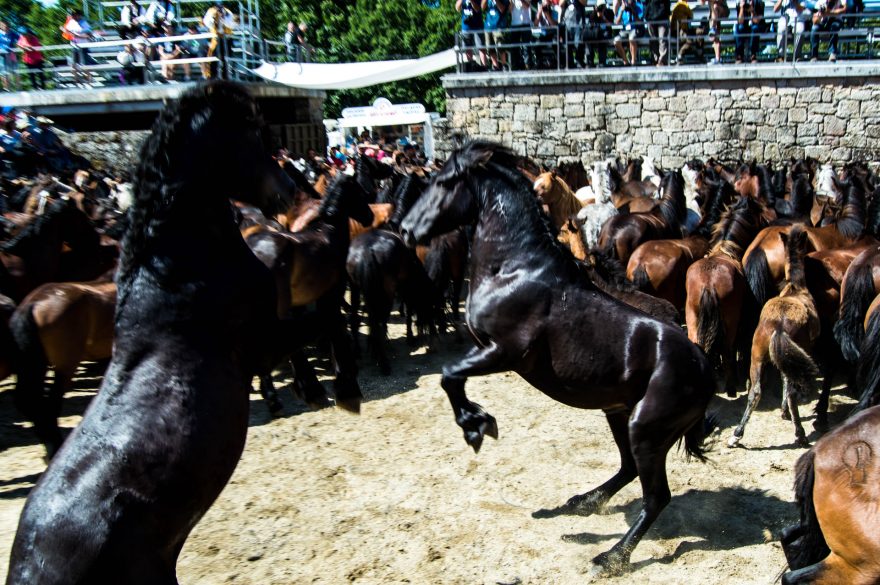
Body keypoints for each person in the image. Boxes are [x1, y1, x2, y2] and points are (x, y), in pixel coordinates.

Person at [203, 1, 236, 78]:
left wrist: (224, 18)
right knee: (213, 58)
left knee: (226, 58)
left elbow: (231, 25)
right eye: (218, 6)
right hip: (216, 38)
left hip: (227, 38)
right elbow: (207, 22)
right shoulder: (211, 11)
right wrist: (214, 18)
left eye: (221, 6)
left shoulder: (228, 12)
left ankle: (226, 76)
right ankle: (212, 76)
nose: (220, 8)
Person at [62, 10, 95, 85]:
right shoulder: (71, 22)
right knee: (74, 64)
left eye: (75, 15)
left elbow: (89, 35)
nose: (73, 16)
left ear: (79, 15)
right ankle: (76, 80)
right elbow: (66, 31)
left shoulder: (84, 23)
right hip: (74, 45)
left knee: (86, 64)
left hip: (84, 46)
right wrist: (65, 30)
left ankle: (89, 79)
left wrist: (78, 36)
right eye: (72, 15)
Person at [457, 0, 486, 71]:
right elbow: (457, 8)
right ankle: (470, 66)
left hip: (477, 25)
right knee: (467, 47)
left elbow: (478, 9)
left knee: (481, 46)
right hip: (466, 26)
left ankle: (484, 66)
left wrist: (472, 1)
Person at [614, 0, 644, 65]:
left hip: (636, 28)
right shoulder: (622, 7)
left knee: (632, 38)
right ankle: (625, 61)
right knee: (616, 41)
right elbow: (616, 22)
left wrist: (633, 10)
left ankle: (633, 61)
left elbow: (640, 21)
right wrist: (621, 11)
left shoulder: (639, 6)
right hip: (625, 30)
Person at [484, 0, 511, 70]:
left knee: (500, 46)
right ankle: (495, 66)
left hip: (499, 26)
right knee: (489, 47)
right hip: (488, 26)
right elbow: (482, 7)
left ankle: (504, 64)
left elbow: (502, 9)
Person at [585, 0, 614, 67]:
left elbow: (610, 25)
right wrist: (596, 12)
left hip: (605, 33)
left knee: (602, 40)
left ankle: (602, 62)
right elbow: (590, 25)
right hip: (595, 34)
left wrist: (603, 17)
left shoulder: (609, 12)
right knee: (588, 41)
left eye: (603, 6)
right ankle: (589, 62)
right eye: (600, 6)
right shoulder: (593, 13)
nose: (602, 8)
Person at [561, 0, 587, 68]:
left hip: (579, 21)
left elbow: (585, 3)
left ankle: (579, 60)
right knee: (566, 42)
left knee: (579, 42)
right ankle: (570, 62)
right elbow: (561, 4)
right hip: (567, 21)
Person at [644, 0, 671, 64]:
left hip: (662, 19)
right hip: (651, 19)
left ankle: (662, 60)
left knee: (662, 40)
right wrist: (647, 16)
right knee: (653, 40)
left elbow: (667, 5)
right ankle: (655, 59)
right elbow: (647, 3)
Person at [508, 0, 532, 69]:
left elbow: (527, 6)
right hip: (515, 24)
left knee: (526, 46)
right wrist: (512, 1)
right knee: (514, 46)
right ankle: (515, 65)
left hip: (526, 23)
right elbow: (509, 10)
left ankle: (527, 65)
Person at [0, 21, 19, 92]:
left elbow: (20, 40)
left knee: (15, 71)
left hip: (12, 54)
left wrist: (20, 45)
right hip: (2, 55)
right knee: (3, 72)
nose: (6, 27)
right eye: (4, 26)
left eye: (7, 26)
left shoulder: (12, 33)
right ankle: (7, 89)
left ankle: (18, 89)